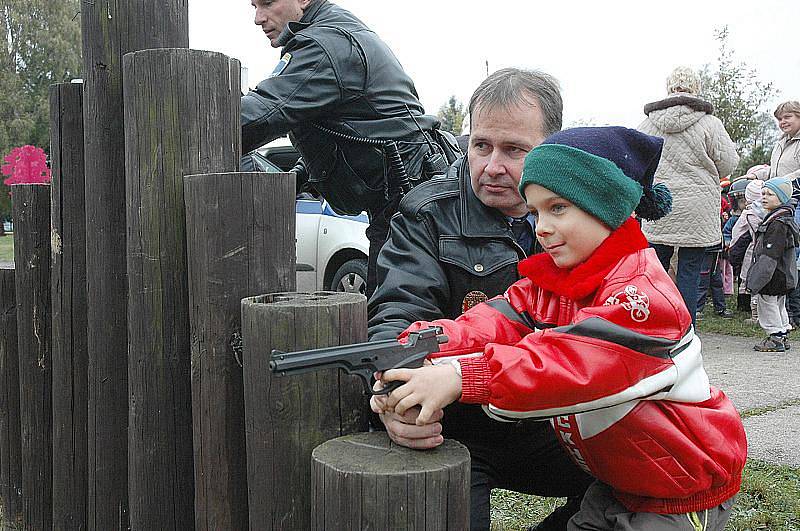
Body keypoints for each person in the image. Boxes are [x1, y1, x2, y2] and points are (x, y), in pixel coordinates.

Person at [375, 126, 747, 531]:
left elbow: (571, 364)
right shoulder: (561, 282)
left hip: (677, 493)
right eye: (535, 211)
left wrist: (461, 376)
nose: (541, 227)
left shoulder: (642, 296)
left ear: (604, 205)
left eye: (558, 208)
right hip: (618, 482)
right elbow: (499, 317)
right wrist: (424, 347)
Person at [369, 68, 593, 530]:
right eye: (480, 145)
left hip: (558, 425)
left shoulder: (588, 216)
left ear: (552, 147)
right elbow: (397, 317)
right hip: (456, 429)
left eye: (513, 150)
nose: (492, 166)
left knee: (654, 485)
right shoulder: (425, 213)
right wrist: (398, 401)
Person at [241, 0, 459, 295]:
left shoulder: (325, 45)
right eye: (254, 5)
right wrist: (299, 177)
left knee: (396, 318)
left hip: (407, 205)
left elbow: (262, 115)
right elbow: (350, 129)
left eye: (267, 3)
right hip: (412, 197)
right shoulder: (333, 33)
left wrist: (187, 126)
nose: (258, 18)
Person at [638, 66, 739, 326]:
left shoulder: (649, 123)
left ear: (669, 87)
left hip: (660, 203)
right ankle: (685, 329)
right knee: (690, 272)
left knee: (655, 270)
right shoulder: (709, 123)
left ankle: (654, 326)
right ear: (696, 87)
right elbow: (728, 163)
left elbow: (637, 160)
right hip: (697, 205)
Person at [747, 102, 800, 326]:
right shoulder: (780, 143)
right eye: (779, 119)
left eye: (788, 117)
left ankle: (793, 314)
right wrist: (763, 172)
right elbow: (777, 169)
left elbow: (792, 173)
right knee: (780, 253)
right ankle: (785, 315)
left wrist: (782, 182)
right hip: (780, 200)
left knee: (792, 255)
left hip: (795, 199)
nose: (783, 122)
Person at [744, 177, 800, 352]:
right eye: (763, 193)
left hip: (773, 275)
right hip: (783, 274)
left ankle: (775, 336)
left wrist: (756, 280)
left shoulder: (777, 224)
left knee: (767, 305)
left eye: (770, 194)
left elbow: (769, 256)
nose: (764, 197)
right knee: (778, 305)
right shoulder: (783, 219)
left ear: (782, 198)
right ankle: (782, 333)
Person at [730, 180, 767, 321]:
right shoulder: (771, 209)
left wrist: (733, 249)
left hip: (752, 252)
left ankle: (755, 316)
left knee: (752, 283)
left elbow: (737, 232)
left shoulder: (749, 214)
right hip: (768, 253)